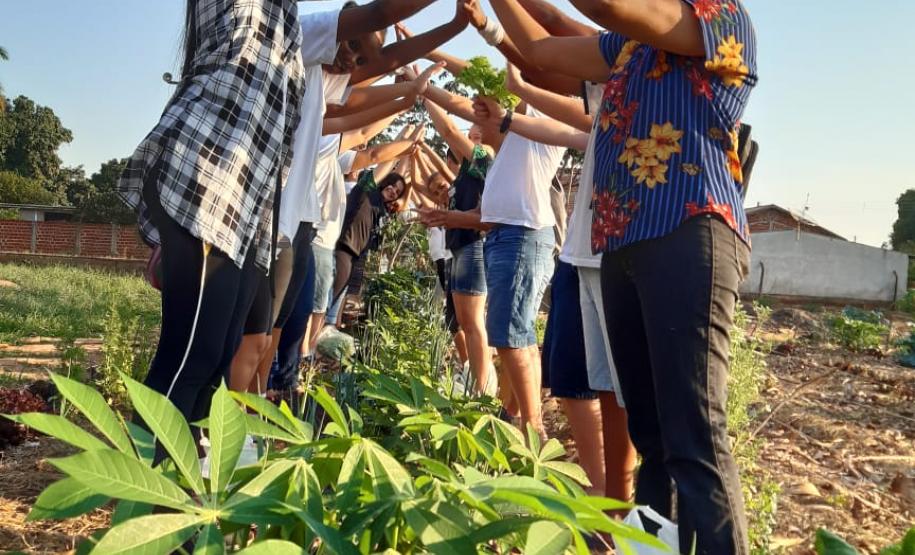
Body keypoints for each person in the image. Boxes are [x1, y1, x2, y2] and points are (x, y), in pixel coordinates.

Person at [488, 0, 759, 552]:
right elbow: (539, 51)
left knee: (694, 438)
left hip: (689, 229)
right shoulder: (629, 49)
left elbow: (600, 6)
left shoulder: (720, 18)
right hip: (624, 244)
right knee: (653, 439)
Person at [117, 0, 304, 443]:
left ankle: (184, 485)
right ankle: (143, 492)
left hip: (239, 204)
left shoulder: (285, 24)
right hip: (203, 180)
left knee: (218, 355)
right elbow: (378, 15)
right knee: (190, 355)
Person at [331, 173, 408, 304]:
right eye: (393, 185)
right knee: (325, 302)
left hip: (357, 257)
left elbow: (402, 205)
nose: (393, 191)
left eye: (398, 192)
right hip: (344, 248)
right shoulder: (367, 193)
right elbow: (380, 168)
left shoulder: (382, 210)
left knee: (336, 302)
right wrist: (406, 154)